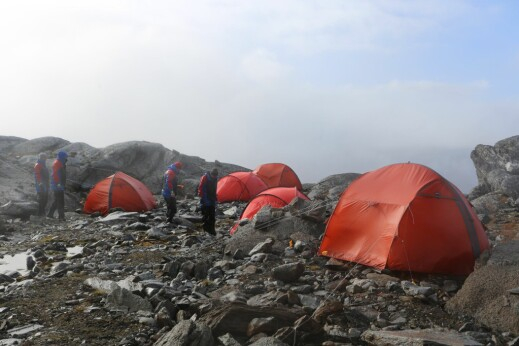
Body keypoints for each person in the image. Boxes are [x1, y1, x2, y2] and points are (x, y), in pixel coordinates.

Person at [47, 151, 68, 220]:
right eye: (65, 157)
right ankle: (61, 217)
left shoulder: (61, 163)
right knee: (60, 201)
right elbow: (55, 174)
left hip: (59, 185)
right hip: (57, 185)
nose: (66, 158)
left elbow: (62, 175)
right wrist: (58, 183)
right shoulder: (57, 163)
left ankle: (50, 214)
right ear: (62, 157)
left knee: (57, 200)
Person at [198, 168, 218, 235]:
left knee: (212, 216)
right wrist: (205, 201)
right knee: (206, 215)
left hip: (212, 199)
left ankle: (212, 230)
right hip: (205, 199)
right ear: (211, 173)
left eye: (216, 175)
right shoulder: (205, 178)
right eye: (214, 175)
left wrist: (215, 200)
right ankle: (206, 229)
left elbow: (214, 190)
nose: (214, 176)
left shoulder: (215, 179)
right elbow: (202, 190)